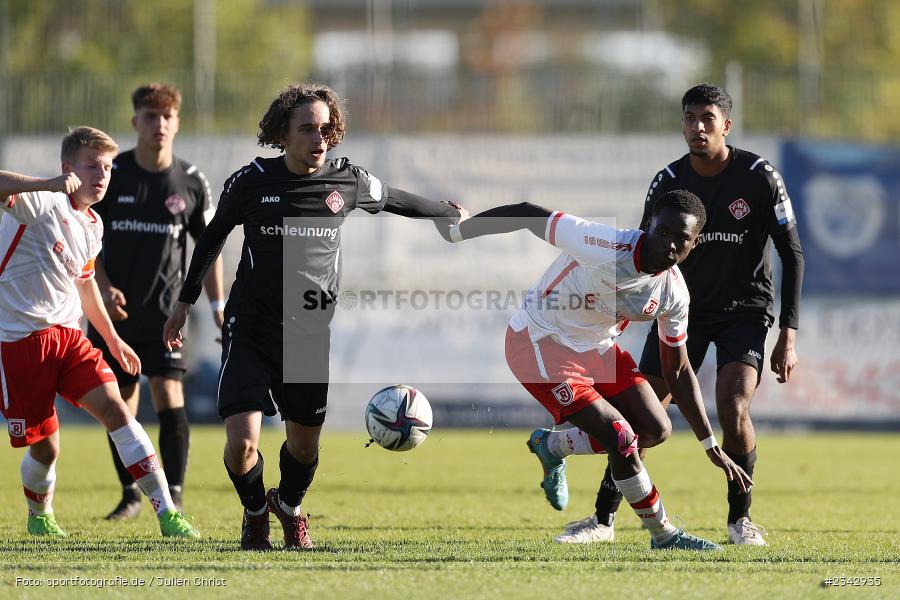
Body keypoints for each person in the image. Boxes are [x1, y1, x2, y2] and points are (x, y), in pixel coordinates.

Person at [163, 82, 464, 551]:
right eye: (307, 129)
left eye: (326, 129)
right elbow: (211, 239)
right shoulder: (250, 181)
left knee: (304, 448)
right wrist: (184, 304)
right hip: (251, 329)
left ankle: (289, 506)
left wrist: (442, 211)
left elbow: (396, 198)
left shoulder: (348, 181)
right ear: (283, 133)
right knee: (242, 444)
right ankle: (257, 511)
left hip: (308, 333)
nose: (319, 138)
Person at [558, 83, 804, 546]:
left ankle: (740, 521)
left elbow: (792, 253)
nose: (697, 127)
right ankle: (602, 522)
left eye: (707, 118)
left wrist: (788, 333)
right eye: (689, 118)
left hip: (744, 313)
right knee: (642, 418)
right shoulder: (667, 180)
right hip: (680, 313)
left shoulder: (759, 175)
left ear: (726, 125)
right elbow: (645, 256)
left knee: (733, 407)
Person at [446, 190, 752, 550]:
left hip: (597, 349)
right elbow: (528, 213)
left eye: (682, 238)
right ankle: (664, 535)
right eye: (663, 231)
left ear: (694, 244)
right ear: (649, 224)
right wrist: (460, 231)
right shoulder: (603, 244)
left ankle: (553, 444)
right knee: (621, 437)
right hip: (539, 342)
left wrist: (709, 443)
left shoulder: (673, 293)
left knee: (655, 428)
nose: (670, 244)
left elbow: (679, 370)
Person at [0, 127, 198, 538]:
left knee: (118, 411)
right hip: (20, 342)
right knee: (46, 447)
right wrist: (51, 184)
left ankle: (168, 515)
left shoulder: (93, 224)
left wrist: (112, 339)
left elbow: (86, 284)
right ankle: (40, 516)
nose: (102, 174)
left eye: (107, 166)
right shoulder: (43, 201)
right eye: (92, 165)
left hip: (71, 339)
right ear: (67, 168)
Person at [88, 83, 224, 520]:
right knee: (119, 405)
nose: (159, 125)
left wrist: (217, 305)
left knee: (169, 395)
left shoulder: (190, 181)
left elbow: (208, 249)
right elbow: (85, 239)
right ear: (135, 123)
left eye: (167, 117)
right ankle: (131, 495)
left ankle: (176, 493)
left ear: (177, 123)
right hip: (116, 315)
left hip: (167, 316)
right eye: (150, 116)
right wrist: (102, 286)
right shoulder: (113, 174)